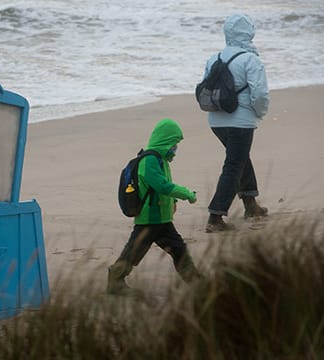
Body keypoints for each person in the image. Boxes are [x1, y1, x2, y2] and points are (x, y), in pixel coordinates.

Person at [107, 118, 200, 296]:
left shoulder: (161, 160)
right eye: (174, 143)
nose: (176, 148)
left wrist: (173, 202)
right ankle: (115, 281)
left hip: (162, 219)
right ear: (166, 141)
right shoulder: (149, 160)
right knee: (134, 252)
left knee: (178, 249)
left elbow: (163, 188)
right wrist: (187, 194)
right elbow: (162, 186)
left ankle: (196, 282)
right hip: (150, 218)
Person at [202, 14, 270, 233]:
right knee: (234, 164)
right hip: (240, 122)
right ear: (249, 32)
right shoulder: (251, 59)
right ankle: (215, 217)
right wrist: (259, 114)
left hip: (215, 120)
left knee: (239, 158)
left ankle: (251, 205)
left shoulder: (214, 58)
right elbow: (259, 94)